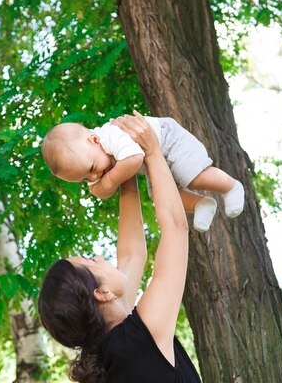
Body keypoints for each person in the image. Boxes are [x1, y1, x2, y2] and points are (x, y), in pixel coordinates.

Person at [38, 111, 202, 383]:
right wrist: (151, 150)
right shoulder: (142, 335)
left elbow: (132, 253)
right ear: (101, 293)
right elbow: (175, 227)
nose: (102, 257)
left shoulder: (110, 352)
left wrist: (124, 161)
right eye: (92, 260)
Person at [41, 114, 244, 232]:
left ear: (94, 141)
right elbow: (99, 191)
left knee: (192, 176)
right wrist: (101, 185)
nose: (93, 177)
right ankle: (202, 203)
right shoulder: (90, 158)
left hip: (169, 141)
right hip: (153, 161)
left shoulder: (110, 135)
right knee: (160, 196)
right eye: (85, 179)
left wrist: (109, 181)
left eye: (92, 170)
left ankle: (230, 186)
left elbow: (134, 159)